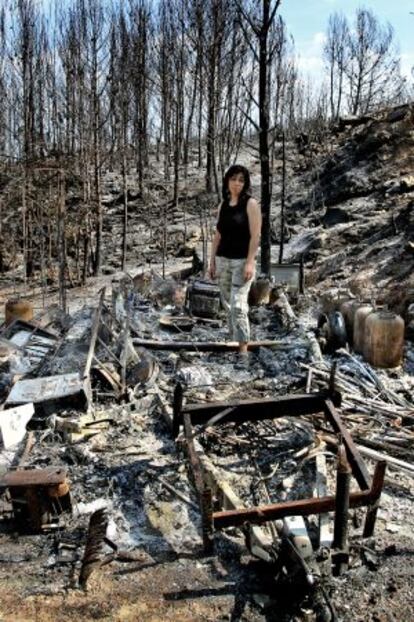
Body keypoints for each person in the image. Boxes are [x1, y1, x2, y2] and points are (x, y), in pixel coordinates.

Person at [209, 164, 261, 364]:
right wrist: (211, 261)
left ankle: (243, 353)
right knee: (228, 303)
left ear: (245, 183)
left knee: (239, 306)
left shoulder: (251, 204)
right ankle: (234, 341)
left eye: (241, 180)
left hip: (242, 262)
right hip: (223, 260)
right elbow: (218, 235)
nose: (237, 183)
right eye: (233, 179)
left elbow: (256, 236)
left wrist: (250, 262)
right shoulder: (223, 205)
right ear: (227, 181)